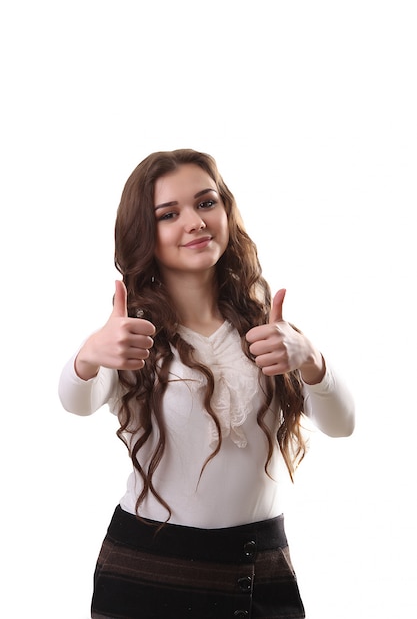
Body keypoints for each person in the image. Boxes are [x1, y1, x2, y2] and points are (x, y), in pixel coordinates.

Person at [58, 149, 355, 619]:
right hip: (149, 571)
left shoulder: (264, 325)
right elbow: (76, 401)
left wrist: (311, 358)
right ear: (144, 234)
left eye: (206, 203)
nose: (194, 222)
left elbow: (343, 425)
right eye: (169, 214)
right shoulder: (130, 334)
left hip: (261, 566)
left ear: (226, 211)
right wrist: (88, 357)